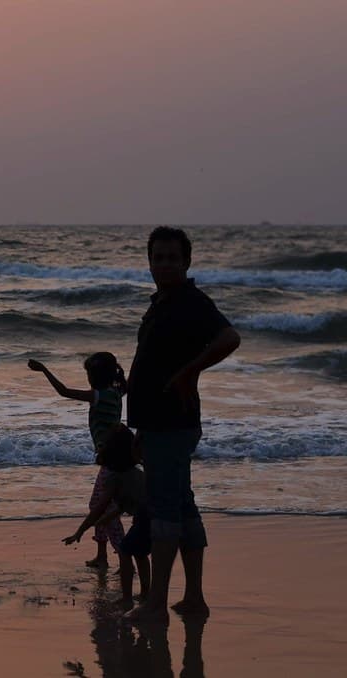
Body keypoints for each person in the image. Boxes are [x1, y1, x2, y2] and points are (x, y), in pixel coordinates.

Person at [125, 227, 240, 623]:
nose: (165, 264)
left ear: (187, 262)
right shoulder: (164, 302)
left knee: (164, 513)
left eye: (173, 257)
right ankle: (193, 598)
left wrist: (192, 371)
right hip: (160, 424)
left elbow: (229, 337)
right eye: (158, 257)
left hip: (174, 424)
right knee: (183, 508)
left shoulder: (191, 301)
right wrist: (141, 428)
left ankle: (156, 603)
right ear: (149, 261)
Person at [28, 352, 128, 568]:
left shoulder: (99, 395)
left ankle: (123, 555)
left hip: (111, 462)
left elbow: (63, 391)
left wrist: (44, 370)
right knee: (97, 505)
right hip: (113, 459)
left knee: (104, 509)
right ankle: (103, 556)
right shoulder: (117, 391)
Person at [62, 423, 151, 607]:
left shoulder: (115, 478)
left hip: (145, 519)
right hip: (156, 516)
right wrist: (105, 520)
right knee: (140, 555)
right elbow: (121, 506)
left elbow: (99, 507)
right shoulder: (133, 473)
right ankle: (145, 595)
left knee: (126, 551)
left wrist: (79, 532)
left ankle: (127, 599)